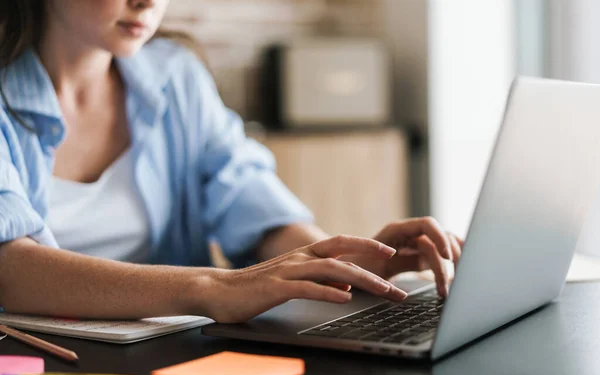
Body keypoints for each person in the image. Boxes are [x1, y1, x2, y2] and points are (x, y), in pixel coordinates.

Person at [0, 0, 462, 323]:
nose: (147, 2)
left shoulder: (175, 74)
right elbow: (11, 270)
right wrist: (215, 288)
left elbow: (250, 203)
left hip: (173, 356)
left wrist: (348, 265)